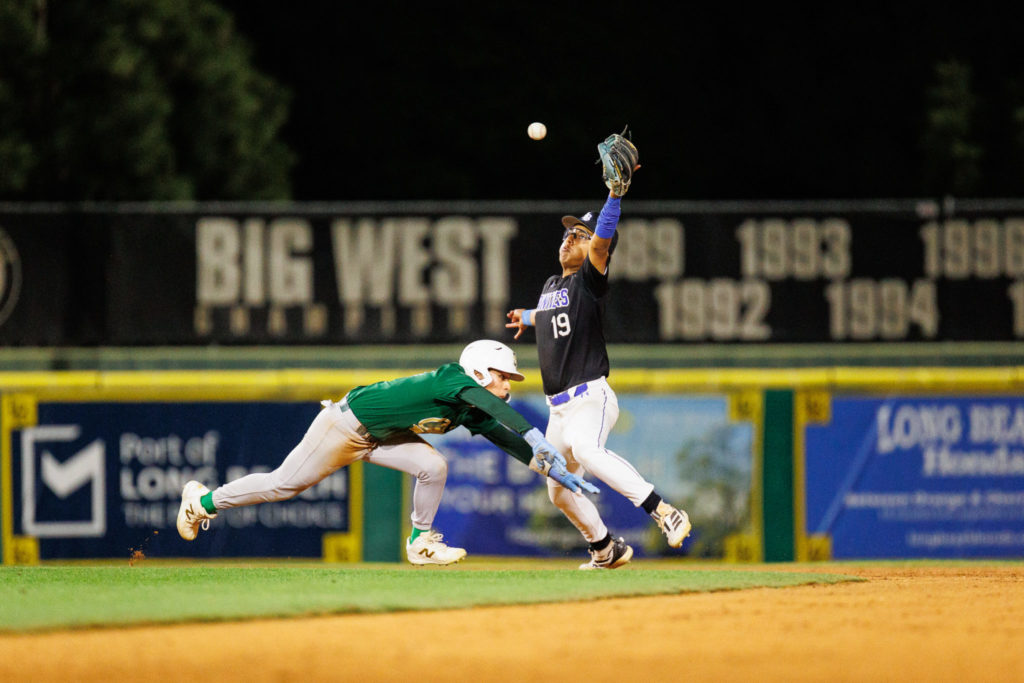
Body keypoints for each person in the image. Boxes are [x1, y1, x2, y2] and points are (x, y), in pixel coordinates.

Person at [176, 340, 597, 566]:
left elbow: (503, 437)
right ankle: (202, 501)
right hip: (344, 426)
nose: (509, 385)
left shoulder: (470, 402)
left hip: (380, 437)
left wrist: (550, 470)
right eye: (504, 377)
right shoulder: (453, 381)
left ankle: (420, 543)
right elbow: (497, 408)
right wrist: (536, 432)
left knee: (433, 465)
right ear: (482, 371)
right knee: (284, 485)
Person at [506, 184, 692, 570]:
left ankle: (664, 511)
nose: (569, 239)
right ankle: (606, 549)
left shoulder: (589, 279)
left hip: (590, 396)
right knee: (557, 490)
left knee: (587, 450)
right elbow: (551, 315)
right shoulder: (551, 286)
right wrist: (527, 317)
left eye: (580, 235)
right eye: (567, 234)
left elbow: (603, 242)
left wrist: (614, 197)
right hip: (557, 409)